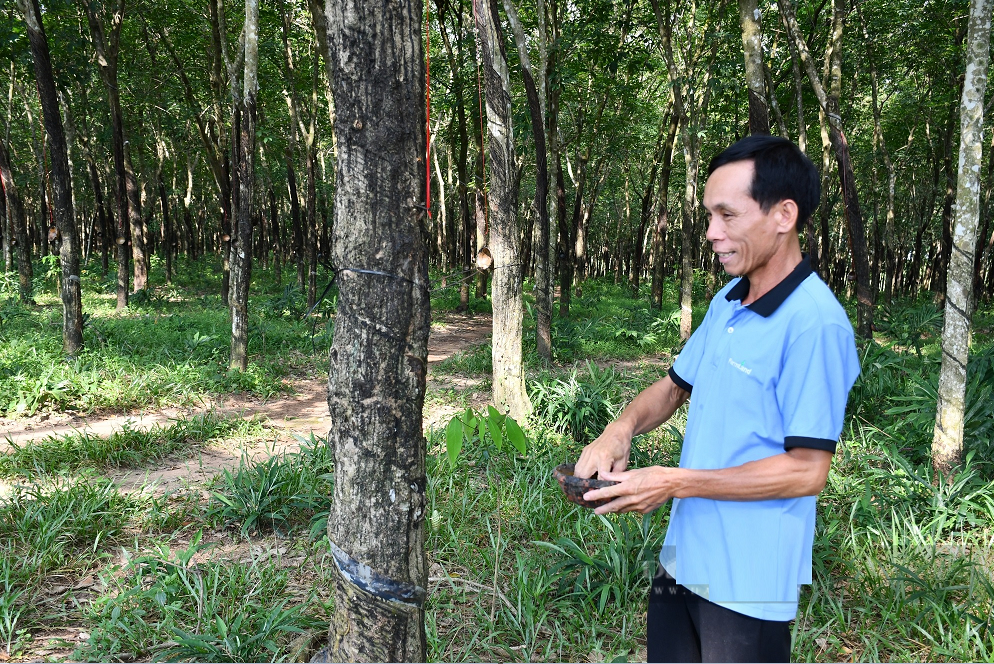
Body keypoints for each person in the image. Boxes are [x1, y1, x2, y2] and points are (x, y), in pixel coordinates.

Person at [574, 135, 860, 663]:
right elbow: (674, 386)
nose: (712, 233)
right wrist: (619, 429)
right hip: (683, 558)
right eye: (709, 216)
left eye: (727, 215)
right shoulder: (728, 301)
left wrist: (675, 482)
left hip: (750, 584)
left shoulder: (815, 325)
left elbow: (807, 471)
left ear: (784, 215)